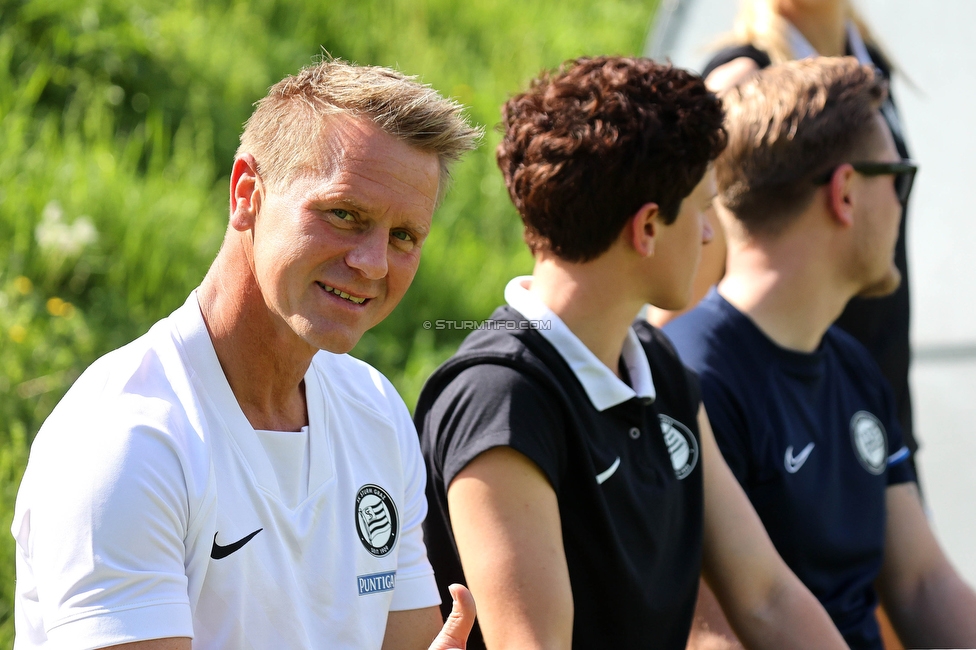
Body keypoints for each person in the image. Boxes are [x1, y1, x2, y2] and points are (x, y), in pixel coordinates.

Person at [11, 59, 481, 649]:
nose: (374, 263)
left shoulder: (376, 412)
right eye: (344, 215)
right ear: (246, 194)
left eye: (404, 236)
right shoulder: (129, 442)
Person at [415, 56, 846, 649]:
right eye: (702, 208)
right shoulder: (501, 399)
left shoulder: (659, 366)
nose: (706, 234)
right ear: (646, 229)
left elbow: (767, 596)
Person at [664, 57, 976, 650]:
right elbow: (713, 635)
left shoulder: (852, 366)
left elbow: (924, 585)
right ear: (846, 193)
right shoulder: (691, 379)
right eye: (899, 177)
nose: (902, 206)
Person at [651, 0, 919, 476]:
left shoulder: (870, 61)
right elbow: (680, 299)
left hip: (877, 397)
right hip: (782, 426)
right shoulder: (740, 80)